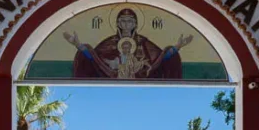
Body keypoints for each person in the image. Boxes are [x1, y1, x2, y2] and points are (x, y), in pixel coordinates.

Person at [64, 8, 192, 80]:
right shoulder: (109, 43)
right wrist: (79, 46)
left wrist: (176, 47)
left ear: (135, 24)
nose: (126, 24)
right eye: (123, 21)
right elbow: (96, 60)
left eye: (130, 21)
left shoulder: (143, 42)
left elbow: (159, 59)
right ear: (118, 24)